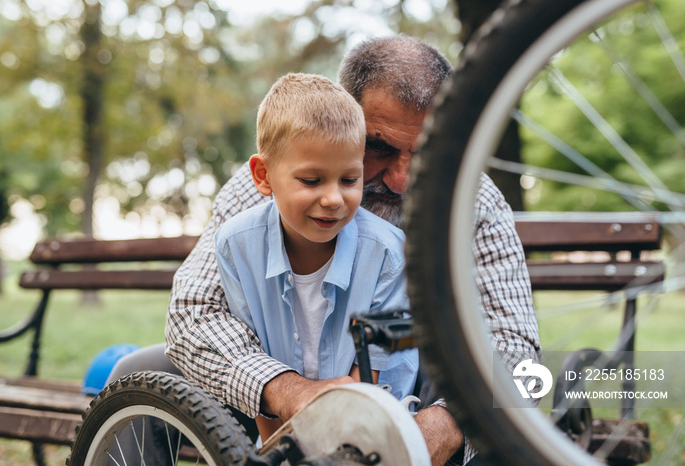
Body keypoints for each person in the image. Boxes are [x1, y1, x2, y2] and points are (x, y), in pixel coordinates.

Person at [110, 34, 541, 466]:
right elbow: (194, 312)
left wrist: (445, 422)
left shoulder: (475, 201)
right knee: (137, 374)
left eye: (425, 148)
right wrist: (287, 390)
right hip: (270, 394)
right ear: (343, 116)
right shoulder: (266, 186)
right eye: (381, 147)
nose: (403, 179)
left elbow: (514, 342)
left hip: (417, 386)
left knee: (515, 404)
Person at [214, 72, 418, 441]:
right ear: (263, 175)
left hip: (372, 433)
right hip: (281, 432)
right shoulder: (236, 245)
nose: (334, 199)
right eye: (311, 181)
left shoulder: (388, 252)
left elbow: (371, 381)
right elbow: (255, 367)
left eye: (349, 180)